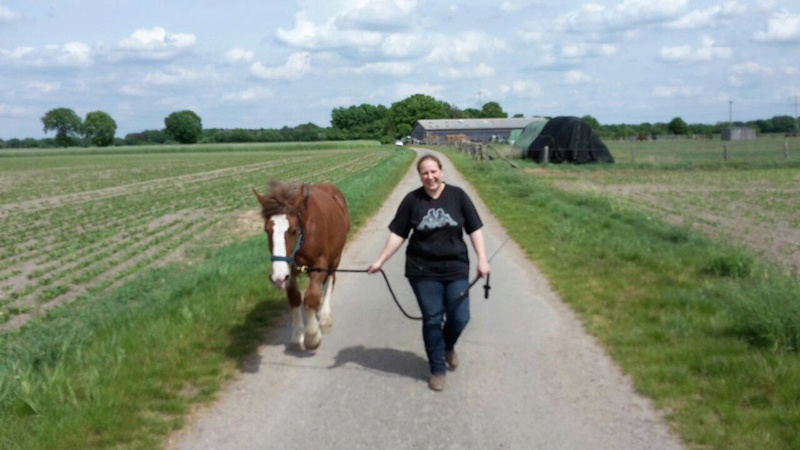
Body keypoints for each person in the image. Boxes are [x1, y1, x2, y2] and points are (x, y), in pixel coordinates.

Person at [368, 154, 490, 391]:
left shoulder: (458, 196)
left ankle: (447, 346)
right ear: (420, 175)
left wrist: (482, 260)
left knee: (460, 317)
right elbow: (398, 234)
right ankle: (437, 369)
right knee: (433, 319)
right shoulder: (412, 201)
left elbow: (475, 229)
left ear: (441, 171)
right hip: (422, 270)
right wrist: (380, 260)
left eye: (434, 171)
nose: (430, 177)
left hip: (456, 267)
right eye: (425, 173)